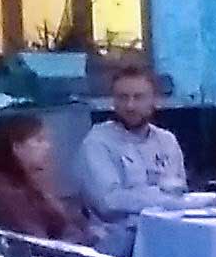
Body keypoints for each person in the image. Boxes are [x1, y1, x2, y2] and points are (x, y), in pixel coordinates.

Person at [73, 57, 190, 238]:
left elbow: (180, 191)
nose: (130, 106)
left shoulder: (167, 141)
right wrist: (162, 198)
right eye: (123, 98)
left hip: (168, 233)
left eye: (138, 97)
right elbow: (109, 203)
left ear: (153, 100)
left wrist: (152, 198)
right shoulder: (98, 142)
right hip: (120, 241)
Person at [0, 110, 88, 246]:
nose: (48, 146)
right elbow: (40, 247)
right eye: (39, 140)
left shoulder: (28, 182)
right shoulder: (8, 196)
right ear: (16, 148)